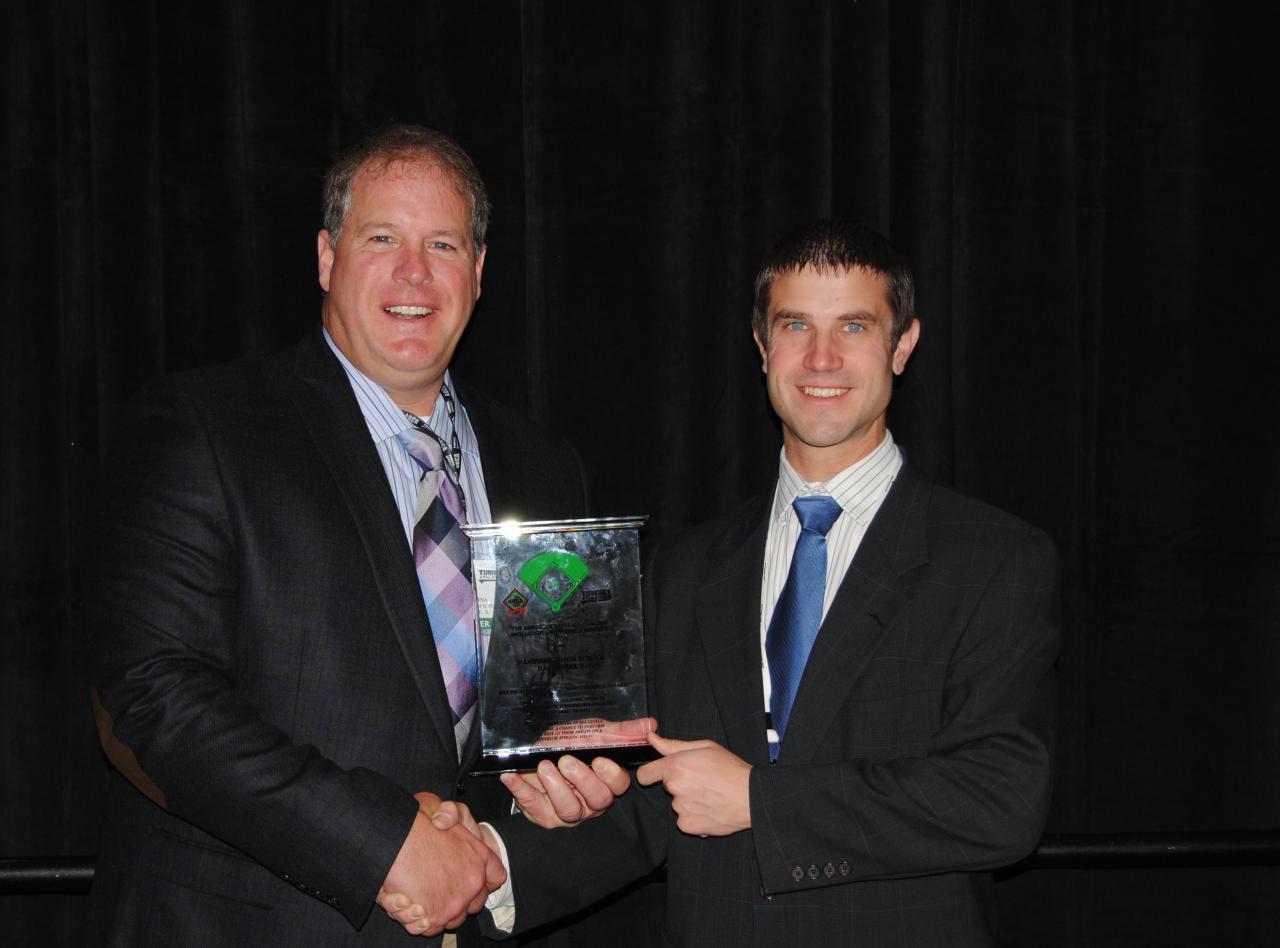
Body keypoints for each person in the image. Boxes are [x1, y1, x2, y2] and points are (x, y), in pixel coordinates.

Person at [467, 220, 1060, 946]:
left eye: (853, 326)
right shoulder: (687, 568)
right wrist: (492, 862)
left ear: (903, 345)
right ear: (761, 345)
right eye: (794, 325)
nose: (821, 357)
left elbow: (999, 799)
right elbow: (661, 799)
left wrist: (757, 798)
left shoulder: (994, 559)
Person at [86, 124, 593, 944]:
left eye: (443, 244)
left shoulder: (545, 467)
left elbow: (540, 719)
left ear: (479, 270)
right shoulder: (205, 426)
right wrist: (380, 843)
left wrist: (566, 782)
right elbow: (151, 692)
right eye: (382, 238)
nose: (414, 273)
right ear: (327, 257)